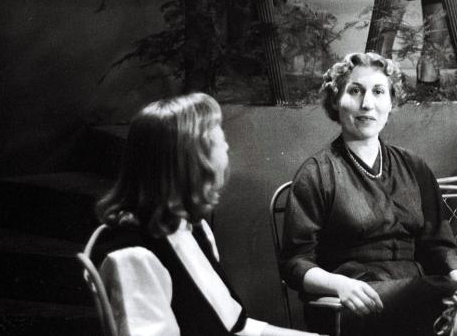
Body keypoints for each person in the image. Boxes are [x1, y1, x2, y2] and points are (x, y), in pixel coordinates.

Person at [92, 93, 315, 336]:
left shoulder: (192, 228)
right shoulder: (134, 255)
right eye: (220, 140)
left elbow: (235, 327)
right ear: (192, 160)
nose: (227, 147)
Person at [278, 52, 457, 335]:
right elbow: (295, 262)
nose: (367, 103)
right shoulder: (317, 173)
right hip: (352, 302)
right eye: (355, 91)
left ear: (392, 102)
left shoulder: (413, 166)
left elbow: (437, 242)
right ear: (336, 100)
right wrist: (340, 285)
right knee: (437, 298)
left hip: (417, 294)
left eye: (378, 92)